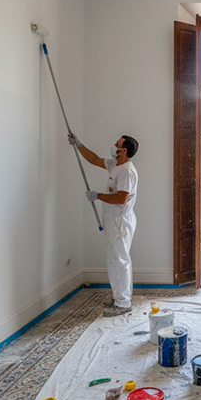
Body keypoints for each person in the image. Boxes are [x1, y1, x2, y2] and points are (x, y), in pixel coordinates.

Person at [68, 133, 139, 317]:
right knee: (115, 259)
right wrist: (79, 144)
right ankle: (119, 297)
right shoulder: (115, 164)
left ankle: (123, 303)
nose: (114, 144)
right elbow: (95, 160)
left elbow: (121, 199)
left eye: (118, 144)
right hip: (113, 219)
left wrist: (98, 196)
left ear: (124, 150)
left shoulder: (126, 171)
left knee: (119, 260)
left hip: (120, 221)